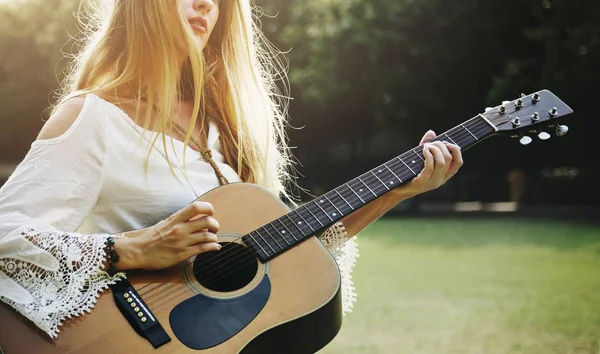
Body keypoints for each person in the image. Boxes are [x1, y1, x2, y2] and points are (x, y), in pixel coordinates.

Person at [0, 0, 463, 340]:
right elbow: (5, 230)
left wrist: (395, 192)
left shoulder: (225, 134)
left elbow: (288, 254)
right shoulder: (94, 116)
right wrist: (133, 248)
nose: (207, 5)